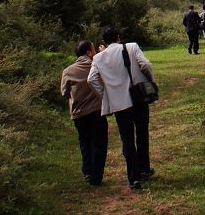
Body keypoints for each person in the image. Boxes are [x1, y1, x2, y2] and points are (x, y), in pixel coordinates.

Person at [88, 26, 156, 191]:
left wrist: (105, 94)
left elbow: (91, 79)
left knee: (127, 139)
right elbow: (145, 64)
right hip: (138, 98)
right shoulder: (131, 47)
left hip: (119, 102)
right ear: (119, 37)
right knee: (142, 133)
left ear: (103, 42)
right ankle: (144, 168)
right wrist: (149, 81)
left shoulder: (98, 58)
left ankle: (133, 177)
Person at [61, 40, 107, 186]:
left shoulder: (68, 71)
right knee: (98, 143)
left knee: (84, 142)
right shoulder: (96, 67)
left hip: (78, 114)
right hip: (96, 111)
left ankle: (87, 170)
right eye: (93, 50)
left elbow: (64, 93)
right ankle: (96, 176)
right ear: (88, 52)